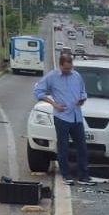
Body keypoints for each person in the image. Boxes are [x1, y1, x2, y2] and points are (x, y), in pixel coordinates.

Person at [33, 53, 95, 186]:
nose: (68, 71)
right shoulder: (52, 77)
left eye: (70, 68)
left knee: (82, 147)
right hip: (62, 117)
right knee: (63, 147)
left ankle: (84, 175)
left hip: (76, 116)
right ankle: (66, 175)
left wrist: (82, 99)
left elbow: (83, 92)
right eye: (66, 69)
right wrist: (54, 104)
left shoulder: (77, 76)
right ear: (60, 65)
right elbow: (38, 91)